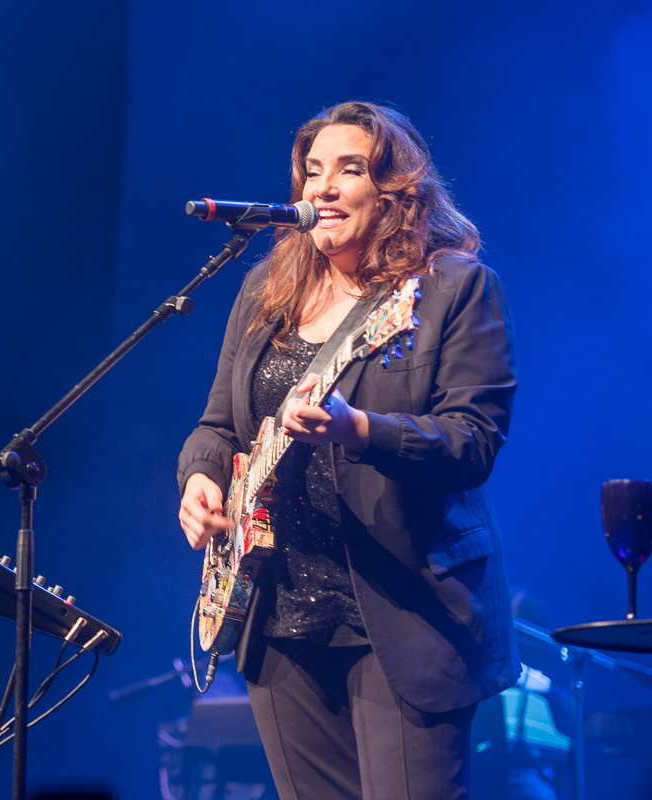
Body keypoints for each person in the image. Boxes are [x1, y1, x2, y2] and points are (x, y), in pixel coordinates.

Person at [176, 101, 519, 799]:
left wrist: (359, 429)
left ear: (396, 191)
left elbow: (472, 441)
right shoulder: (267, 290)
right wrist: (199, 480)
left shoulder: (450, 290)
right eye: (311, 172)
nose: (322, 188)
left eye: (348, 169)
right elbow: (217, 426)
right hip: (278, 615)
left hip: (405, 613)